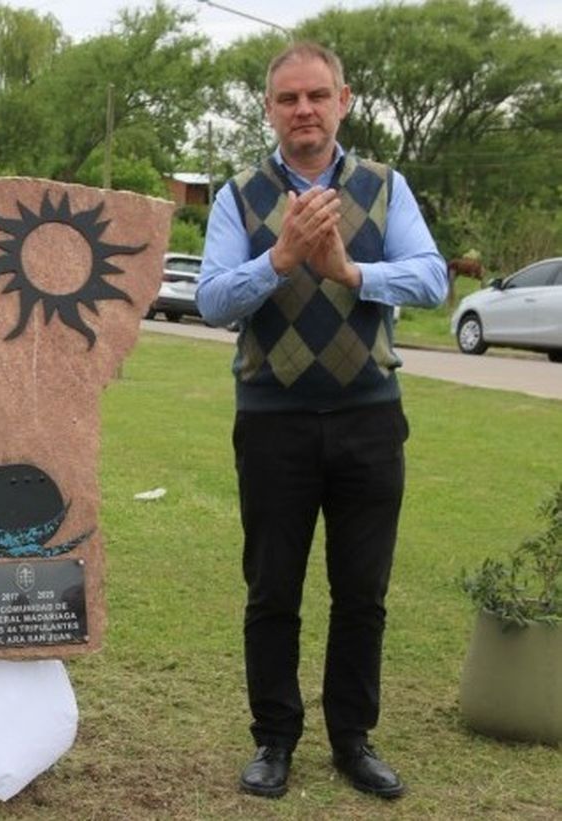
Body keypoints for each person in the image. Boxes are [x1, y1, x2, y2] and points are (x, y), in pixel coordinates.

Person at [197, 42, 446, 801]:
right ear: (269, 109)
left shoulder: (384, 186)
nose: (303, 110)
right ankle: (274, 740)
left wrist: (350, 271)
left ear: (344, 100)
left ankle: (352, 739)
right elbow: (210, 299)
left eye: (316, 96)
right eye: (287, 99)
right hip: (273, 420)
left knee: (361, 590)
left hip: (369, 415)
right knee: (273, 588)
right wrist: (278, 260)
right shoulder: (238, 195)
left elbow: (432, 276)